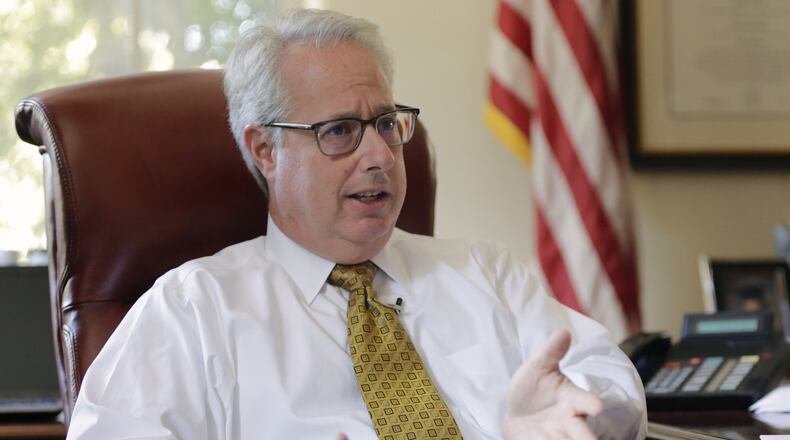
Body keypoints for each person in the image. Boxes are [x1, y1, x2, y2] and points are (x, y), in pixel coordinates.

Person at [67, 9, 646, 440]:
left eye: (387, 124)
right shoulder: (192, 311)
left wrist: (577, 420)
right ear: (265, 150)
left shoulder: (486, 273)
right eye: (340, 130)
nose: (380, 155)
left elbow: (613, 385)